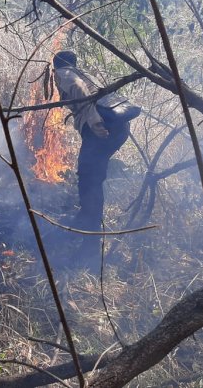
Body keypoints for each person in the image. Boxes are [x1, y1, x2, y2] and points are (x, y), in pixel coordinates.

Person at [52, 50, 131, 261]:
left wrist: (94, 122)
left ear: (56, 66)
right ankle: (83, 222)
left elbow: (78, 89)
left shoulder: (64, 73)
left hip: (101, 128)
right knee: (92, 178)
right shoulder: (85, 73)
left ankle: (90, 245)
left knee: (89, 182)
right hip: (120, 128)